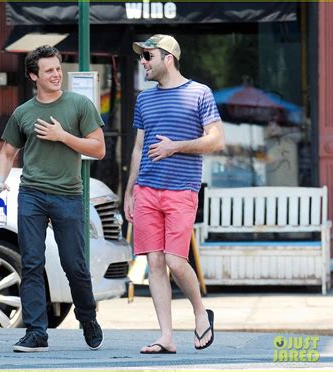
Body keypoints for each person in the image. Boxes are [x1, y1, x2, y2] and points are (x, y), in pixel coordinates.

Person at [0, 45, 105, 353]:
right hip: (32, 195)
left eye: (58, 68)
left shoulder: (80, 105)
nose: (56, 74)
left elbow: (98, 148)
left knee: (74, 264)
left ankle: (87, 317)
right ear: (33, 76)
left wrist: (63, 136)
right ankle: (37, 331)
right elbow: (7, 153)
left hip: (68, 195)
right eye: (49, 70)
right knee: (31, 263)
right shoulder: (23, 113)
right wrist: (0, 180)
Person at [124, 35, 225, 354]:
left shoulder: (200, 94)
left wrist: (176, 147)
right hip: (146, 190)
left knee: (175, 261)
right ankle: (165, 336)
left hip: (182, 190)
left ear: (168, 58)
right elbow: (139, 147)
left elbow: (216, 141)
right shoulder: (144, 99)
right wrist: (129, 190)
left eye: (148, 56)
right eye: (141, 56)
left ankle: (200, 314)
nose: (143, 62)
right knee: (154, 262)